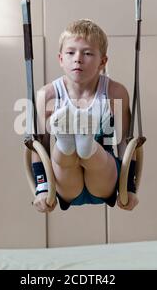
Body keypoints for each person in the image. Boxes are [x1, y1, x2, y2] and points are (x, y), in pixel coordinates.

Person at [31, 19, 138, 213]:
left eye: (87, 53)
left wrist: (129, 187)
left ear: (103, 62)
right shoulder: (47, 95)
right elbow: (39, 146)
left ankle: (85, 143)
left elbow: (124, 143)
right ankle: (66, 141)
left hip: (104, 180)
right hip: (66, 185)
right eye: (70, 52)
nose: (78, 58)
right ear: (61, 59)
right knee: (61, 157)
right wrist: (42, 188)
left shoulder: (115, 92)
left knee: (95, 155)